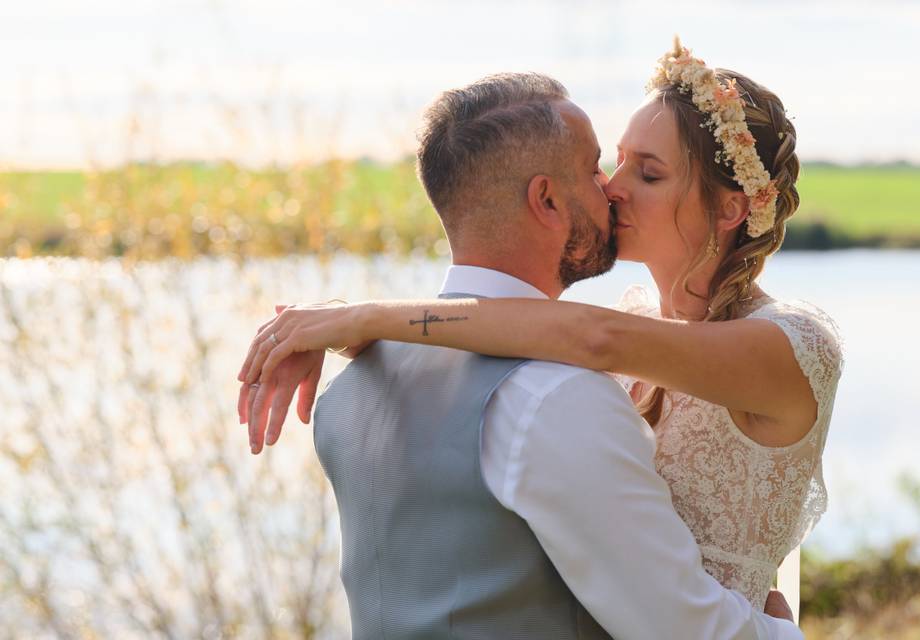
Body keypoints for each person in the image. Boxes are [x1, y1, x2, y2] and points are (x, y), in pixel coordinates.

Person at [239, 45, 812, 639]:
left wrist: (364, 317)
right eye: (600, 167)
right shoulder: (558, 396)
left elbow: (591, 337)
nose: (612, 189)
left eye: (644, 172)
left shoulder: (349, 389)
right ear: (546, 200)